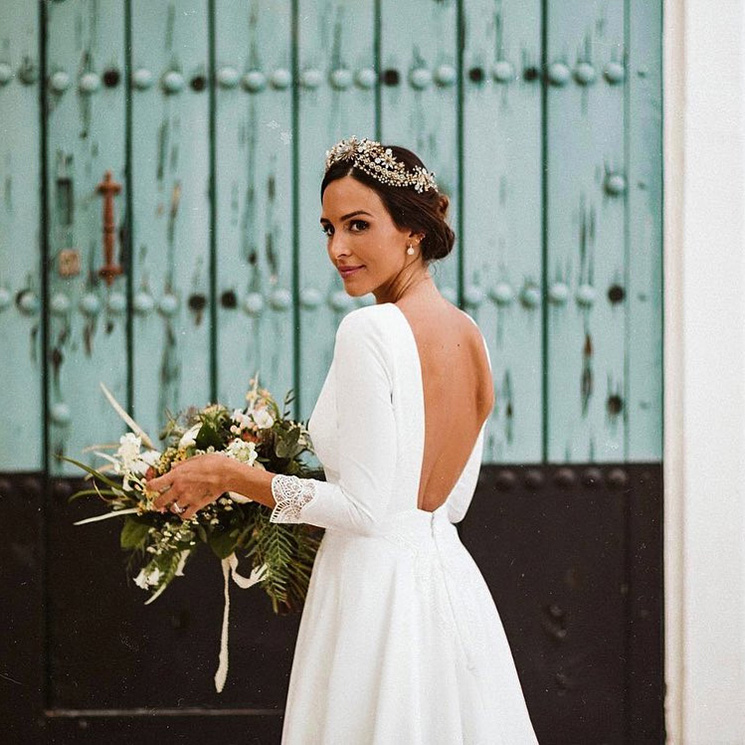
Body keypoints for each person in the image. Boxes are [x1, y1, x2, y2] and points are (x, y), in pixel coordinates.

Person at [147, 136, 539, 743]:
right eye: (328, 227)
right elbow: (449, 505)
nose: (338, 247)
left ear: (412, 231)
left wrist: (228, 473)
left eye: (358, 225)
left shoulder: (370, 330)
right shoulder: (469, 335)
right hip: (449, 589)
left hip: (372, 596)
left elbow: (362, 509)